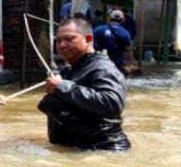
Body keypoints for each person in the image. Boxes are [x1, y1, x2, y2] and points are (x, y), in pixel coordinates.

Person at [39, 18, 130, 151]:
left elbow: (112, 103)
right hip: (74, 151)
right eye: (58, 40)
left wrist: (62, 87)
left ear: (88, 39)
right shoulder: (69, 70)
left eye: (69, 39)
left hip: (103, 151)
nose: (62, 45)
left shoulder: (103, 68)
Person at [92, 10, 136, 74]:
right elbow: (129, 51)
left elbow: (90, 44)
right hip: (116, 64)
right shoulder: (125, 33)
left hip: (99, 62)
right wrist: (130, 65)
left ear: (109, 18)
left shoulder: (98, 30)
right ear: (123, 20)